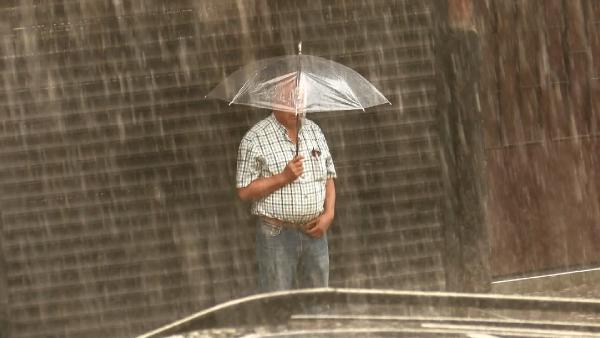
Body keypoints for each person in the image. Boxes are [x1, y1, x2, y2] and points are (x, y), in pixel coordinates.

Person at [236, 82, 337, 293]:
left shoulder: (314, 131)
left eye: (300, 100)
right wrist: (283, 177)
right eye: (290, 101)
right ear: (274, 101)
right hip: (276, 236)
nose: (298, 107)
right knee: (277, 306)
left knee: (318, 303)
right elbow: (244, 191)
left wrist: (329, 214)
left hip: (315, 233)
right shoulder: (255, 139)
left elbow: (328, 176)